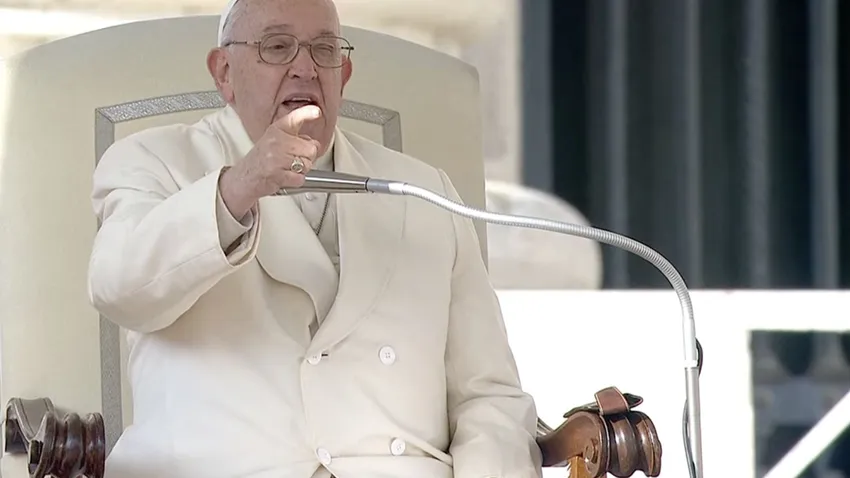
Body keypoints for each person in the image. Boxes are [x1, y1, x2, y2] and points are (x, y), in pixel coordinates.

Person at [87, 0, 542, 476]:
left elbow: (488, 397)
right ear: (224, 72)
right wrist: (238, 187)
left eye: (324, 50)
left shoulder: (425, 192)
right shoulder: (154, 161)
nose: (305, 67)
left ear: (343, 74)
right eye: (277, 46)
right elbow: (118, 289)